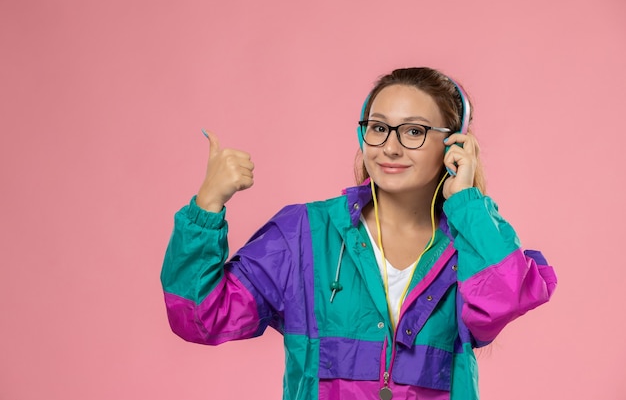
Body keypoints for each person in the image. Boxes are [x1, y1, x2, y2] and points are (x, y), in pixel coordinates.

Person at [161, 67, 557, 400]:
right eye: (379, 128)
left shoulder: (467, 247)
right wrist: (207, 205)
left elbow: (504, 299)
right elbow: (200, 317)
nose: (390, 147)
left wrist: (468, 202)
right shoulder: (303, 235)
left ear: (454, 144)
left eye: (414, 132)